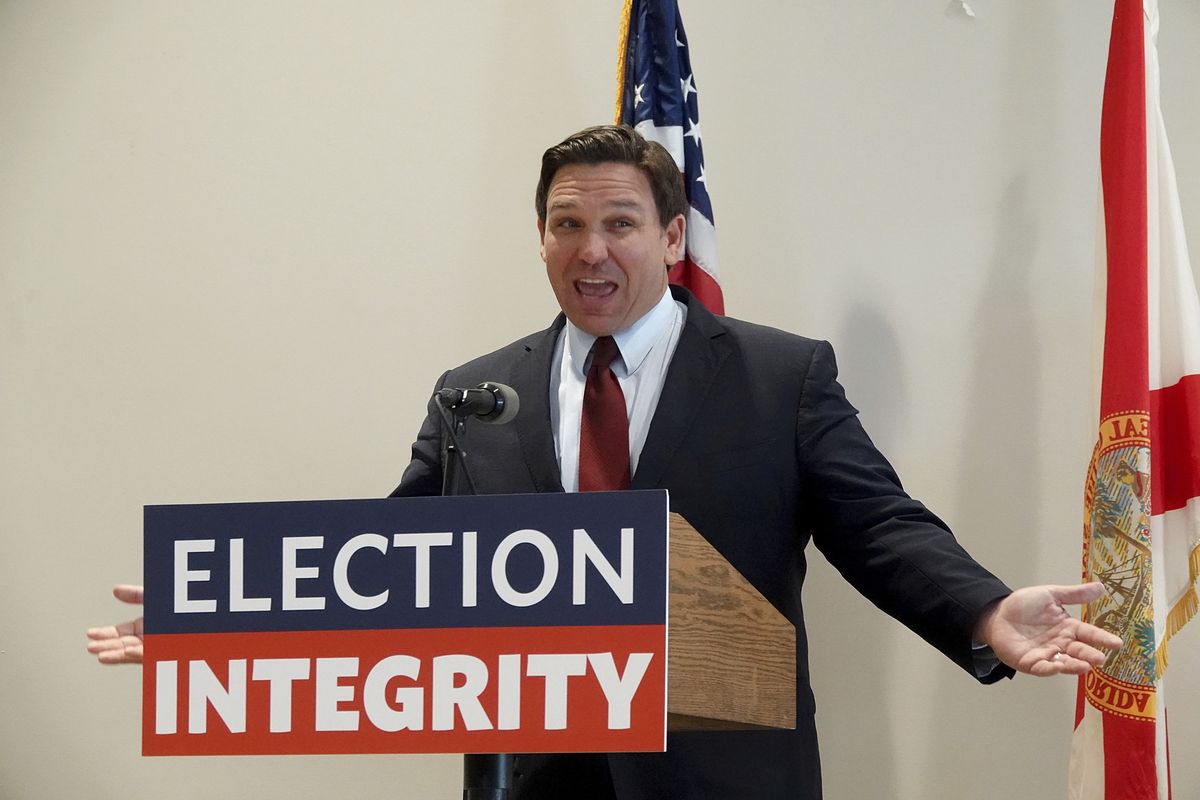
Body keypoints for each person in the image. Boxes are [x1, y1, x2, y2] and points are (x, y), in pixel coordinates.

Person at [88, 124, 1121, 799]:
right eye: (567, 224)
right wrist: (222, 622)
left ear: (672, 238)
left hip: (723, 773)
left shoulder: (779, 376)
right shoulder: (473, 392)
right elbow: (389, 564)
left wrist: (984, 609)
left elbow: (880, 524)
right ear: (540, 238)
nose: (593, 249)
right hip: (535, 778)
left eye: (620, 223)